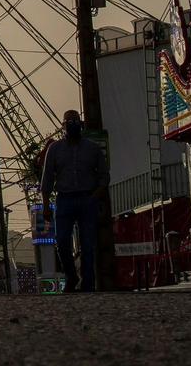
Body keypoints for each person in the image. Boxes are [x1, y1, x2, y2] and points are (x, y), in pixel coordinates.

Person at [42, 109, 109, 293]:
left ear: (81, 124)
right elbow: (47, 179)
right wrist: (46, 205)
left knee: (88, 244)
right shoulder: (54, 149)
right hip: (64, 199)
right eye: (69, 123)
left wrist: (95, 196)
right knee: (61, 241)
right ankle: (71, 275)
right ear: (63, 126)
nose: (73, 126)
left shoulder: (93, 149)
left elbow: (104, 176)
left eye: (76, 123)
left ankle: (87, 284)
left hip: (87, 198)